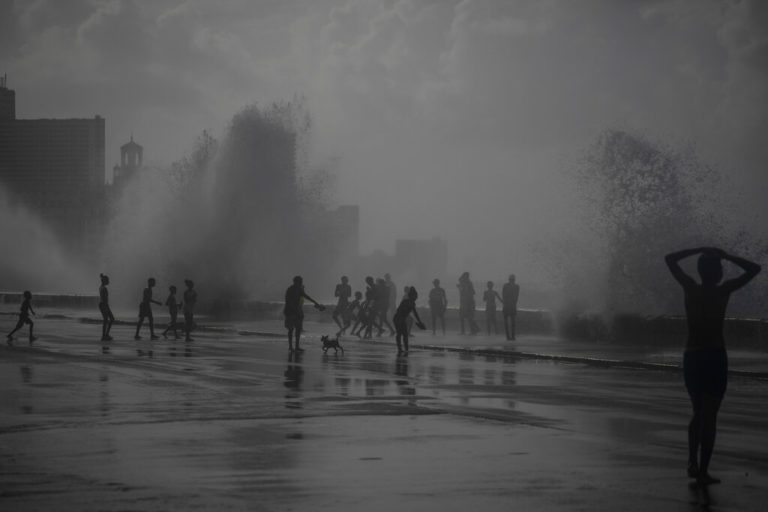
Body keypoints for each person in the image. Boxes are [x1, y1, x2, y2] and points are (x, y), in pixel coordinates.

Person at [665, 247, 760, 486]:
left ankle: (692, 462)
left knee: (699, 413)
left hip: (693, 355)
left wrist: (699, 248)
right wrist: (726, 255)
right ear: (717, 273)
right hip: (715, 356)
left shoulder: (690, 288)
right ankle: (703, 470)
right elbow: (754, 269)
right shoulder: (723, 290)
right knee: (710, 416)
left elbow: (670, 259)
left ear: (700, 271)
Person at [283, 275, 325, 352]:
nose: (301, 283)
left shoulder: (299, 289)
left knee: (298, 329)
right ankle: (290, 346)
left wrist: (316, 303)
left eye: (301, 282)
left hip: (297, 311)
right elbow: (288, 301)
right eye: (300, 282)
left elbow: (307, 296)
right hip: (290, 311)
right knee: (291, 329)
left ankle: (297, 346)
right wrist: (294, 310)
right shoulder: (290, 289)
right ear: (295, 282)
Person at [392, 286, 426, 354]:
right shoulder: (405, 302)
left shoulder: (412, 303)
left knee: (405, 334)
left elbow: (415, 313)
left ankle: (406, 349)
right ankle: (400, 349)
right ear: (411, 296)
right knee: (399, 333)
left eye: (416, 296)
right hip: (397, 318)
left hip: (402, 319)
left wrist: (419, 322)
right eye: (415, 296)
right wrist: (402, 319)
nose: (416, 297)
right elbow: (399, 311)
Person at [502, 274, 520, 341]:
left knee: (508, 322)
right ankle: (511, 336)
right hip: (511, 306)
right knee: (512, 322)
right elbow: (516, 297)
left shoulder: (506, 286)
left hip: (508, 306)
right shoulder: (516, 286)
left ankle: (509, 336)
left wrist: (505, 303)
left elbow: (504, 295)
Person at [98, 273, 114, 341]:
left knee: (110, 319)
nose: (109, 281)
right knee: (107, 320)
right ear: (104, 280)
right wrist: (106, 306)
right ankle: (104, 336)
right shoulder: (104, 288)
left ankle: (105, 335)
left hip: (103, 304)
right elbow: (104, 298)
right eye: (107, 280)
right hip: (103, 305)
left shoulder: (101, 287)